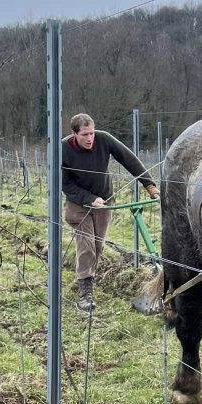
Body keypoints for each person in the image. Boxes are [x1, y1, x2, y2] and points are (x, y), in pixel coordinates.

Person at [62, 113, 160, 311]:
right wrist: (89, 198)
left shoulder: (103, 139)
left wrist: (149, 185)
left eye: (92, 133)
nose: (90, 138)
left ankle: (84, 279)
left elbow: (128, 159)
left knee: (97, 247)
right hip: (78, 205)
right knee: (87, 245)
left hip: (104, 202)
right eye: (85, 134)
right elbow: (65, 184)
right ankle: (85, 293)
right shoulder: (63, 149)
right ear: (74, 134)